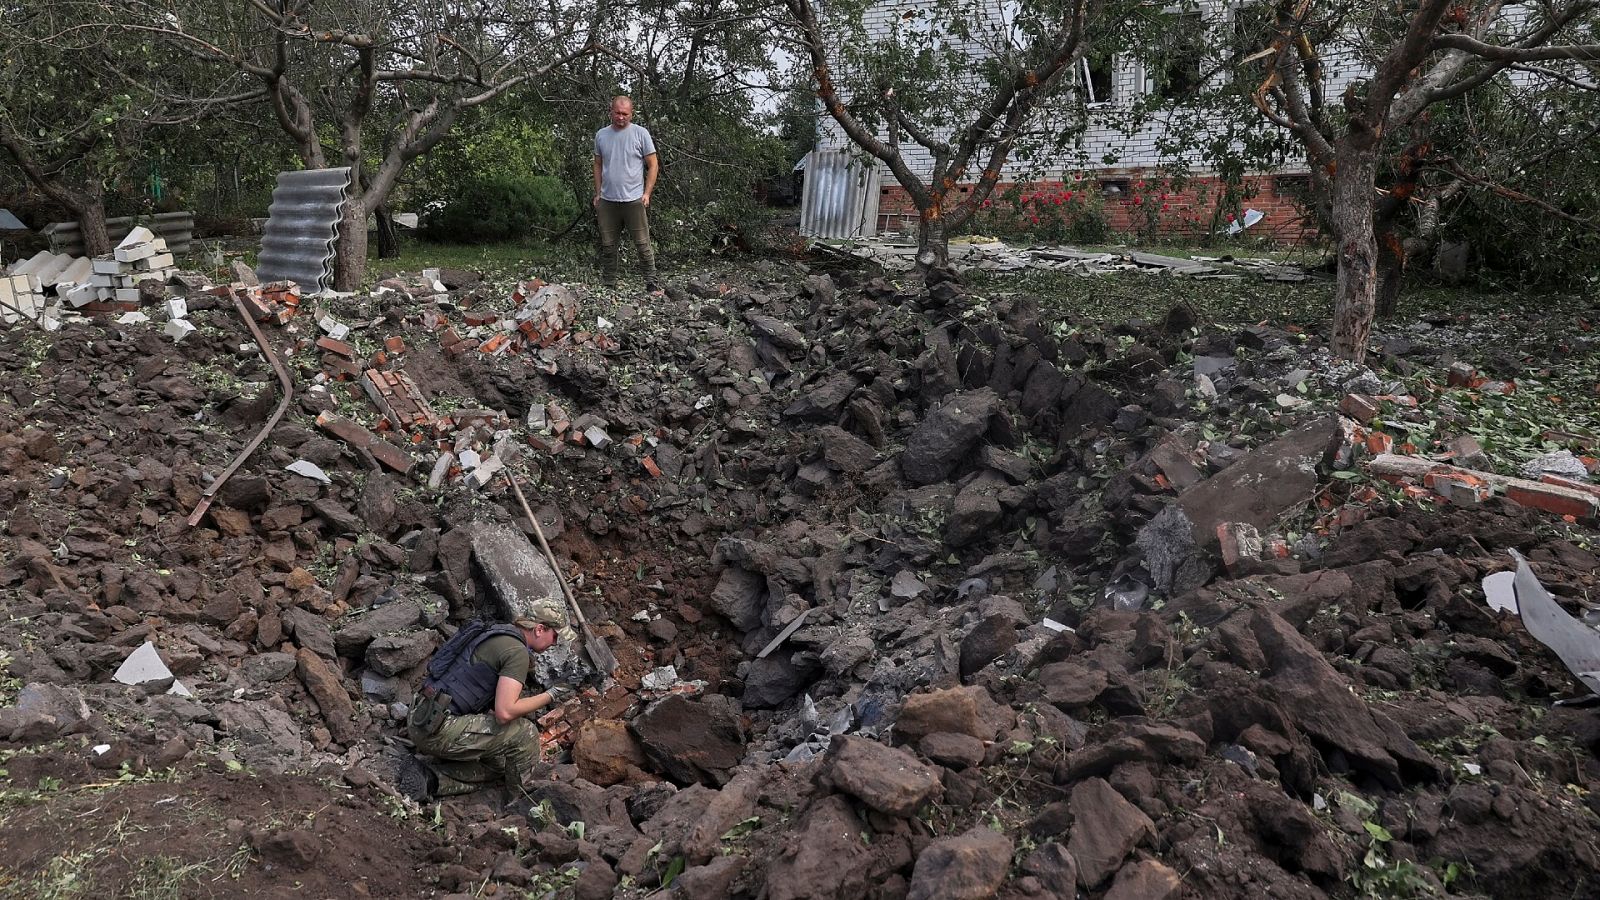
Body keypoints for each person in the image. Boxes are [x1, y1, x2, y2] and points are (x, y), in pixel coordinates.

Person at [399, 598, 577, 800]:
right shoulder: (517, 652)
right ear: (539, 629)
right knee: (525, 734)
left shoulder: (497, 632)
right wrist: (551, 694)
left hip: (421, 717)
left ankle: (430, 778)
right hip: (439, 729)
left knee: (501, 764)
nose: (554, 643)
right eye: (554, 636)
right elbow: (505, 712)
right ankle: (521, 802)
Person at [593, 95, 661, 292]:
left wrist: (647, 193)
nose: (621, 117)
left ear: (631, 114)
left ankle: (651, 283)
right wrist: (597, 193)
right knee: (608, 245)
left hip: (633, 199)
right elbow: (597, 164)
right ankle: (609, 284)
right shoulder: (601, 135)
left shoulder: (641, 134)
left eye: (625, 114)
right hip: (608, 200)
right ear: (610, 112)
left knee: (642, 244)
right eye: (617, 113)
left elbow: (653, 164)